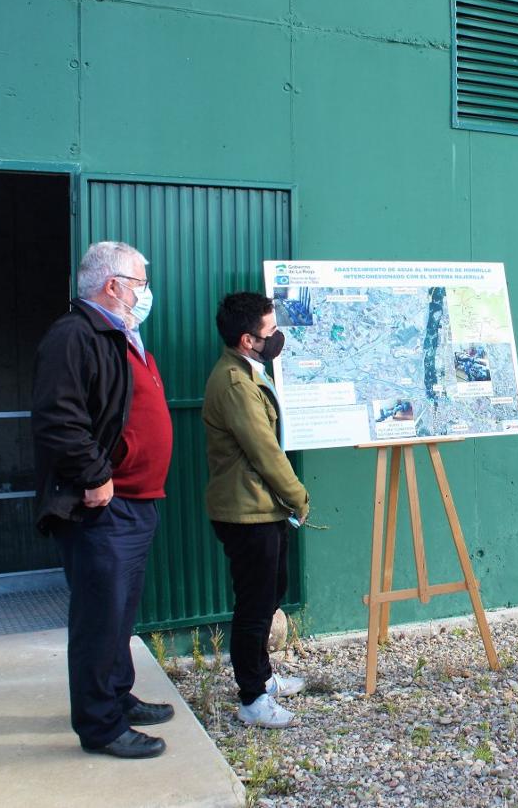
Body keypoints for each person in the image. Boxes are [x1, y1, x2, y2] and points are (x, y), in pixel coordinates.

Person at [31, 241, 174, 760]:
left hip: (136, 502)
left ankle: (117, 694)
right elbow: (58, 417)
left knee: (120, 612)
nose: (146, 293)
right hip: (102, 506)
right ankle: (100, 726)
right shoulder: (75, 335)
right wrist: (94, 475)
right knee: (98, 617)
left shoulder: (121, 335)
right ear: (112, 285)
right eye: (139, 283)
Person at [203, 292, 310, 728]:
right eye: (270, 331)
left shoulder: (246, 372)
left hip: (261, 509)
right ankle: (252, 699)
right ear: (248, 339)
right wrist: (298, 495)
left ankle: (263, 678)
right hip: (247, 512)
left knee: (269, 598)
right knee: (254, 606)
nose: (278, 336)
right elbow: (265, 451)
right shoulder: (234, 384)